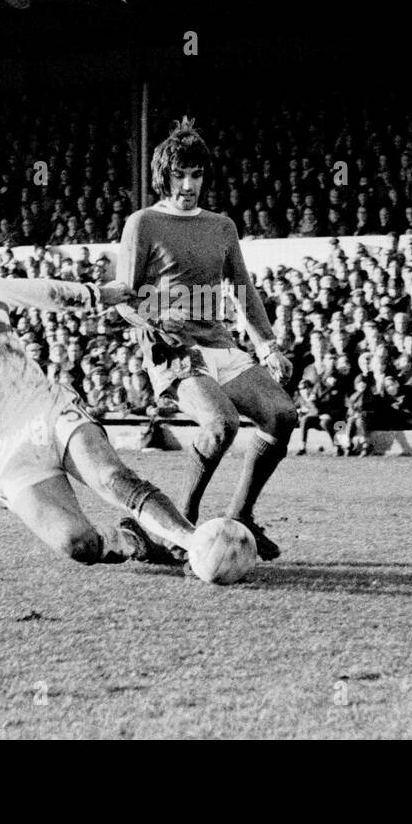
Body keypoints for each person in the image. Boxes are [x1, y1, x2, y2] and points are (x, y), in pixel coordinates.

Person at [0, 216, 195, 568]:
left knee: (112, 477)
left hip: (46, 407)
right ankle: (129, 541)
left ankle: (193, 543)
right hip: (4, 448)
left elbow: (42, 292)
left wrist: (99, 295)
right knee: (78, 545)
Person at [116, 118, 297, 560]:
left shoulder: (221, 226)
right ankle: (179, 526)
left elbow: (242, 289)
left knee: (282, 415)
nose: (188, 185)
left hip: (218, 343)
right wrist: (156, 316)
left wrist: (268, 345)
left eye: (196, 175)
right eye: (180, 175)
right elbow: (122, 299)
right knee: (221, 426)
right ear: (165, 176)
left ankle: (240, 518)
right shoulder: (143, 223)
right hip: (172, 350)